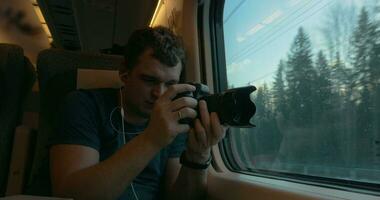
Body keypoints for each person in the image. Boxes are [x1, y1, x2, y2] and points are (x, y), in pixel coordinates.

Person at [49, 26, 226, 200]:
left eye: (170, 84)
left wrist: (198, 157)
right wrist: (152, 139)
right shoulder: (84, 105)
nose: (159, 93)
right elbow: (69, 192)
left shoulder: (176, 121)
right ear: (124, 73)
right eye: (149, 80)